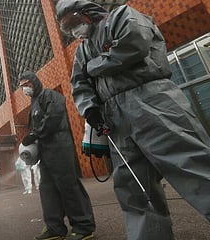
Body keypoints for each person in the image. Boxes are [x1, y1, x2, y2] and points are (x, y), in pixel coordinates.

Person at [55, 1, 210, 239]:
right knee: (134, 187)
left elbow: (132, 46)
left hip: (151, 100)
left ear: (87, 13)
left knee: (191, 165)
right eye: (68, 29)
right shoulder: (82, 50)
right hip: (116, 120)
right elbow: (79, 84)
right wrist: (91, 110)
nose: (75, 32)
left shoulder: (122, 16)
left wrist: (93, 67)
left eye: (74, 24)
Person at [19, 70, 96, 240]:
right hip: (45, 151)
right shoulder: (34, 104)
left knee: (68, 186)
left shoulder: (49, 95)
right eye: (22, 86)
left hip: (60, 146)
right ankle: (54, 227)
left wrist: (36, 133)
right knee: (47, 189)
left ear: (35, 82)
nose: (25, 89)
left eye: (27, 84)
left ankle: (84, 226)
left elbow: (53, 116)